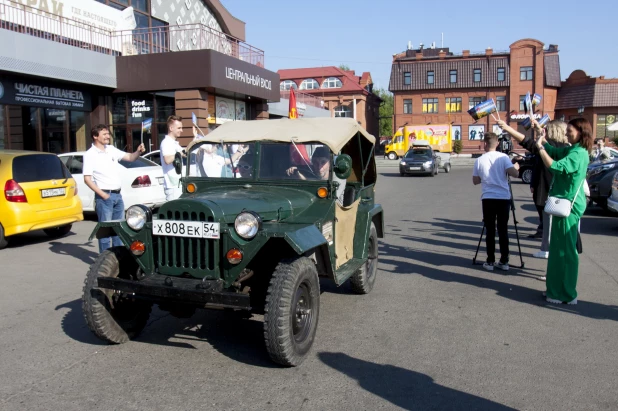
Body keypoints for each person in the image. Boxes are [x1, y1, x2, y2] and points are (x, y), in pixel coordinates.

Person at [533, 118, 593, 305]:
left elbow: (555, 166)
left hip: (568, 207)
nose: (567, 133)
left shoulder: (578, 154)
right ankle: (555, 289)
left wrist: (541, 148)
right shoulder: (574, 150)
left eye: (570, 130)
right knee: (559, 248)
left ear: (581, 132)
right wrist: (542, 140)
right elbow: (555, 152)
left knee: (565, 252)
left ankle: (566, 294)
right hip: (563, 206)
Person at [497, 119, 569, 260]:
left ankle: (549, 255)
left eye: (547, 130)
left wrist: (508, 128)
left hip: (549, 191)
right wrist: (538, 128)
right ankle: (546, 250)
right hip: (558, 191)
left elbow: (527, 141)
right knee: (552, 228)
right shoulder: (565, 147)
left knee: (550, 229)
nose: (544, 132)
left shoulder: (552, 148)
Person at [83, 124, 145, 253]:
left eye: (108, 134)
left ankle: (118, 259)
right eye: (104, 134)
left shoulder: (110, 149)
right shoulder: (90, 154)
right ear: (95, 136)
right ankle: (104, 260)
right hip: (104, 197)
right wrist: (103, 195)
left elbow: (130, 157)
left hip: (118, 195)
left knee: (119, 231)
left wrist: (138, 151)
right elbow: (87, 179)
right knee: (105, 233)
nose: (107, 136)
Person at [472, 133, 520, 272]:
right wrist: (516, 167)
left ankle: (490, 260)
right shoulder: (503, 157)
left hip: (488, 198)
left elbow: (475, 181)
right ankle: (504, 261)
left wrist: (486, 178)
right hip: (503, 198)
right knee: (503, 229)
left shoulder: (480, 160)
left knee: (490, 230)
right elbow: (514, 174)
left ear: (485, 144)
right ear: (497, 143)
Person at [160, 115, 185, 201]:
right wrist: (179, 154)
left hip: (178, 184)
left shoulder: (174, 143)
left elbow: (185, 153)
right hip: (172, 186)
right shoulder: (166, 142)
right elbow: (167, 160)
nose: (181, 130)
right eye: (179, 128)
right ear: (171, 128)